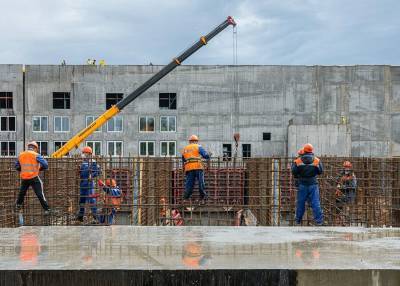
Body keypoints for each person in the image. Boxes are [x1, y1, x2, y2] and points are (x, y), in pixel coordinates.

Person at [15, 141, 51, 215]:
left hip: (24, 178)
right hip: (34, 177)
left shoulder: (21, 155)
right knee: (40, 194)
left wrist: (23, 170)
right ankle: (47, 209)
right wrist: (39, 169)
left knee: (22, 193)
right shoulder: (36, 155)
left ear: (28, 147)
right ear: (35, 148)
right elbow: (45, 165)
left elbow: (17, 166)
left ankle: (18, 205)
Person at [291, 143, 324, 225]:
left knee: (300, 202)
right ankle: (319, 221)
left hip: (302, 184)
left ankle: (298, 220)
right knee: (315, 202)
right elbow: (320, 171)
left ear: (304, 150)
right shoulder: (317, 160)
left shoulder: (298, 161)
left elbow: (294, 172)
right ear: (311, 150)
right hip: (313, 184)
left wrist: (299, 176)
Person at [181, 135, 210, 201]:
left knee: (189, 183)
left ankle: (186, 198)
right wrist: (209, 155)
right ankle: (203, 197)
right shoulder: (198, 146)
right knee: (201, 183)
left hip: (189, 168)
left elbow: (183, 159)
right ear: (196, 141)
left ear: (190, 141)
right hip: (198, 167)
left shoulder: (185, 148)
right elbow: (205, 155)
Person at [77, 146, 101, 223]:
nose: (83, 154)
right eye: (83, 153)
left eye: (85, 153)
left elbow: (98, 171)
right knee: (82, 201)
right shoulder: (83, 162)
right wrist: (79, 170)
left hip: (89, 184)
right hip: (82, 184)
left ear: (89, 154)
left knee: (91, 201)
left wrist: (92, 175)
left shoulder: (93, 162)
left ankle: (96, 217)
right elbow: (82, 173)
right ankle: (80, 217)